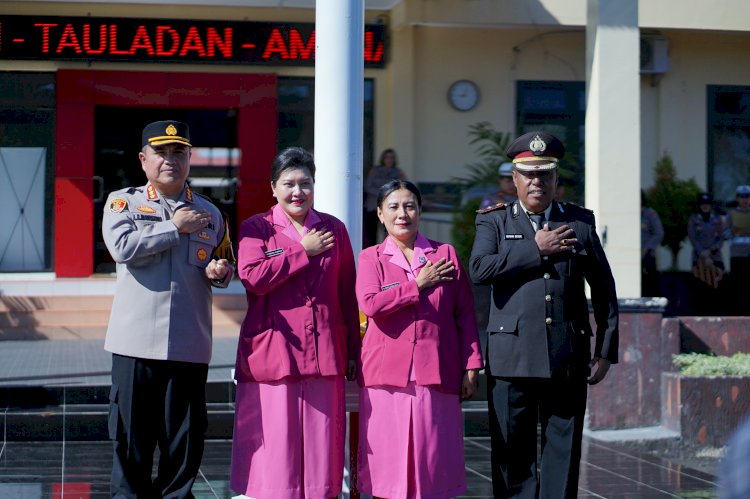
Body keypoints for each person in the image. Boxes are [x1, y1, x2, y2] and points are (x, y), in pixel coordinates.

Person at [469, 131, 619, 499]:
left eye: (545, 174)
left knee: (562, 453)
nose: (537, 182)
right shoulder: (494, 221)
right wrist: (535, 249)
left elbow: (604, 291)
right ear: (515, 179)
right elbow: (479, 269)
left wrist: (605, 351)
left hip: (565, 355)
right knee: (512, 456)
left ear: (556, 179)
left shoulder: (580, 222)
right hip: (511, 357)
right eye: (529, 174)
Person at [102, 120, 235, 498]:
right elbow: (122, 248)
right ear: (144, 159)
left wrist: (219, 271)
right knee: (131, 445)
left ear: (190, 158)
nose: (170, 160)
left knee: (184, 445)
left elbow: (224, 266)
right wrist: (174, 228)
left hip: (188, 346)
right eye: (161, 152)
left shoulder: (211, 213)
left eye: (179, 152)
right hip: (135, 346)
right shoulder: (122, 202)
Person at [230, 147, 360, 499]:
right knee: (277, 448)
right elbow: (253, 278)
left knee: (322, 446)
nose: (297, 192)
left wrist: (352, 351)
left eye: (305, 183)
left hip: (324, 352)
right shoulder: (255, 228)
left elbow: (346, 293)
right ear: (273, 187)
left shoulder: (334, 229)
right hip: (274, 352)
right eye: (288, 184)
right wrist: (302, 251)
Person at [356, 179, 484, 498]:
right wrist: (417, 285)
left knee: (433, 460)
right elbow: (371, 304)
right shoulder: (371, 258)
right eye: (394, 207)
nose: (403, 213)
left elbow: (464, 313)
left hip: (436, 370)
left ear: (420, 211)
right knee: (388, 461)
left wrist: (472, 365)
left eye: (410, 206)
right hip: (386, 375)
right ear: (380, 214)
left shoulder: (444, 254)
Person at [364, 148, 407, 247]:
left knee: (389, 234)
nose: (389, 159)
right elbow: (368, 186)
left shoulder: (398, 172)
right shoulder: (375, 170)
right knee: (371, 236)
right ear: (383, 158)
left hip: (390, 208)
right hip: (373, 207)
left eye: (392, 157)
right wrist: (383, 194)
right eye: (387, 157)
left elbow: (404, 186)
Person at [688, 192, 725, 294]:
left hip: (715, 257)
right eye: (702, 204)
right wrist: (703, 254)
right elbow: (693, 238)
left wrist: (710, 251)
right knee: (700, 287)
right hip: (699, 257)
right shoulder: (693, 219)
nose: (705, 206)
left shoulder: (717, 219)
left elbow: (721, 239)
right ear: (699, 205)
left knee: (717, 288)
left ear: (710, 205)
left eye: (707, 204)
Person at [724, 185, 750, 312]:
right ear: (738, 199)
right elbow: (725, 234)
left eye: (747, 197)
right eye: (742, 197)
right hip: (737, 256)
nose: (745, 200)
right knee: (737, 287)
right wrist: (733, 232)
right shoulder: (731, 214)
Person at [641, 190, 665, 297]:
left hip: (647, 253)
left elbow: (659, 233)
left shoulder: (649, 214)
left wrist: (646, 247)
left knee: (650, 282)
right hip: (630, 254)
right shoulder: (627, 214)